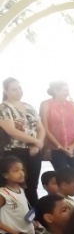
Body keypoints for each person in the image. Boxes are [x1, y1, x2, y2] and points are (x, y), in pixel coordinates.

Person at [0, 77, 45, 205]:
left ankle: (34, 214)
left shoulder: (29, 106)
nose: (19, 91)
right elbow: (11, 131)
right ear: (6, 91)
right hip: (15, 152)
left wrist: (37, 144)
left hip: (34, 151)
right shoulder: (4, 108)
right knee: (19, 185)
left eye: (19, 88)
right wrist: (35, 141)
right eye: (14, 89)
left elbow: (41, 128)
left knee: (32, 185)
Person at [40, 81, 74, 202]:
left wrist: (72, 146)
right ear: (55, 90)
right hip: (56, 149)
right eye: (65, 90)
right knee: (62, 179)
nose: (67, 92)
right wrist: (59, 146)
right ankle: (64, 204)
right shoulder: (46, 105)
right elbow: (45, 129)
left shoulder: (72, 105)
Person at [0, 156, 35, 234]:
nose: (21, 173)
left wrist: (33, 221)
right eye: (16, 170)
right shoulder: (3, 194)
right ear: (5, 174)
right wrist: (11, 232)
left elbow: (22, 210)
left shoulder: (20, 189)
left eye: (22, 169)